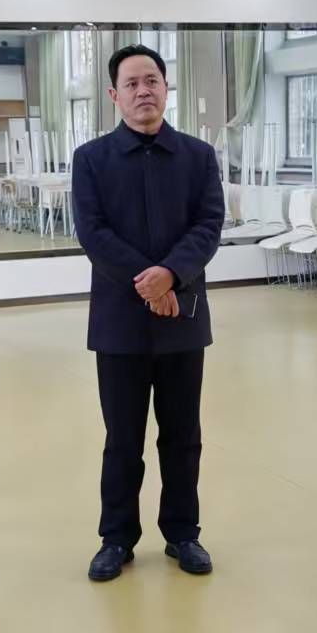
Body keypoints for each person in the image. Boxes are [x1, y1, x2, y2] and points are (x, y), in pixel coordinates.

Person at [71, 45, 225, 583]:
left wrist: (172, 275)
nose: (144, 90)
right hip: (120, 324)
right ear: (114, 95)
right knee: (123, 439)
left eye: (152, 80)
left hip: (183, 318)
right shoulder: (91, 159)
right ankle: (116, 538)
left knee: (183, 436)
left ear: (166, 87)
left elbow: (208, 225)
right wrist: (150, 281)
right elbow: (93, 233)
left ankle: (183, 533)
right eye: (132, 83)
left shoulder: (197, 156)